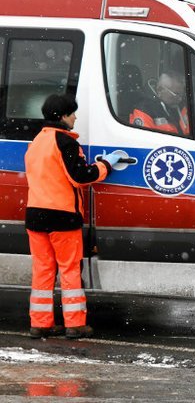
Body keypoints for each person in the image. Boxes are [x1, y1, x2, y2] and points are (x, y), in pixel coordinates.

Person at [25, 94, 121, 339]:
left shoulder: (36, 141)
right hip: (62, 217)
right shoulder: (65, 142)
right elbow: (80, 176)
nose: (75, 117)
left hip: (35, 216)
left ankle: (40, 323)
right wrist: (106, 166)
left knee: (43, 270)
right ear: (62, 116)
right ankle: (75, 324)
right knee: (69, 270)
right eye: (72, 113)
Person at [129, 71, 195, 136]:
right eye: (176, 94)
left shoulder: (180, 106)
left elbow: (189, 132)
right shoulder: (144, 110)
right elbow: (144, 140)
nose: (180, 98)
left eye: (182, 95)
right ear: (160, 90)